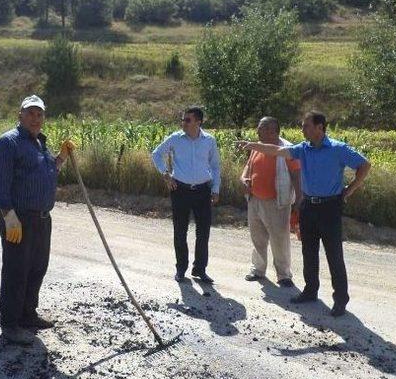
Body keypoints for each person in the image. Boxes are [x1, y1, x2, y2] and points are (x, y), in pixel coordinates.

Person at [238, 111, 371, 317]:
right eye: (303, 126)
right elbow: (276, 150)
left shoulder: (338, 149)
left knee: (334, 254)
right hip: (309, 205)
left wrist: (349, 190)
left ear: (320, 127)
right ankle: (310, 291)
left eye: (306, 126)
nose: (303, 129)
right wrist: (252, 145)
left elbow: (365, 165)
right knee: (309, 252)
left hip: (330, 207)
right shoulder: (303, 149)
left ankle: (340, 300)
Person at [0, 95, 75, 344]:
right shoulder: (9, 143)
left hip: (42, 219)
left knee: (37, 268)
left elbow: (48, 172)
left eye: (40, 114)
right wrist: (9, 216)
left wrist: (61, 156)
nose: (36, 118)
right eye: (31, 113)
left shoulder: (40, 143)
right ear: (20, 115)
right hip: (19, 220)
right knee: (17, 270)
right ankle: (11, 324)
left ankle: (28, 314)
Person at [152, 107, 221, 283]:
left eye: (188, 120)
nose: (183, 123)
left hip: (203, 190)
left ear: (198, 122)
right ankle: (181, 269)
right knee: (180, 231)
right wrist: (166, 174)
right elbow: (157, 154)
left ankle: (200, 270)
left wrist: (215, 189)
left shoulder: (209, 140)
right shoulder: (175, 138)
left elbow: (214, 166)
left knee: (203, 232)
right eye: (182, 120)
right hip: (180, 190)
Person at [240, 116, 302, 287]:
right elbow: (249, 166)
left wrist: (298, 199)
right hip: (254, 199)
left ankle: (284, 275)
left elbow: (296, 174)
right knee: (257, 237)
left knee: (280, 239)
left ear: (272, 131)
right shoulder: (257, 147)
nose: (257, 131)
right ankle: (258, 269)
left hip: (277, 202)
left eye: (260, 128)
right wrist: (244, 178)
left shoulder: (287, 149)